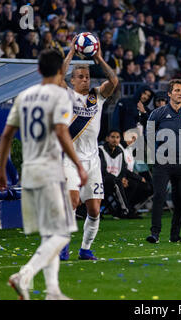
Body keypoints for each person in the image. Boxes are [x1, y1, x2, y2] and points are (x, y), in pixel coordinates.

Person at [0, 49, 88, 300]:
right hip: (50, 170)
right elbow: (60, 130)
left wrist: (1, 170)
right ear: (61, 72)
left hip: (29, 170)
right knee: (62, 233)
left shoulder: (24, 96)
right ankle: (24, 274)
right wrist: (78, 164)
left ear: (37, 70)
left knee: (49, 233)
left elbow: (5, 136)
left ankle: (53, 291)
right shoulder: (59, 95)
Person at [60, 35, 118, 261]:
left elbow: (113, 82)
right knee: (72, 202)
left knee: (94, 210)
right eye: (80, 77)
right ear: (72, 80)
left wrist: (99, 58)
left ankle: (85, 248)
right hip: (70, 159)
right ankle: (63, 246)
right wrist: (72, 52)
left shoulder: (97, 97)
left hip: (92, 161)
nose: (85, 79)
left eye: (87, 76)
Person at [145, 79, 181, 244]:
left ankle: (175, 235)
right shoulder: (158, 113)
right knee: (159, 196)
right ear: (169, 94)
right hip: (163, 162)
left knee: (180, 199)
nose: (180, 93)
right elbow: (149, 134)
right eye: (176, 90)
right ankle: (155, 233)